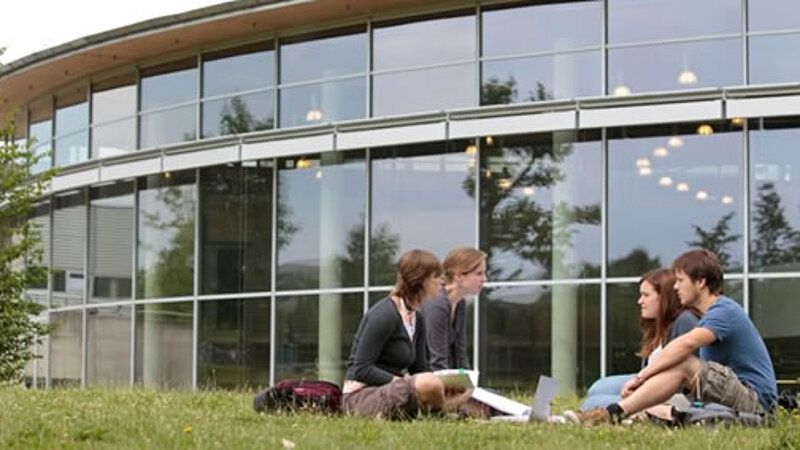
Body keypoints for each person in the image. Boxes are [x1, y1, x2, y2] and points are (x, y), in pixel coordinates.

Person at [570, 249, 777, 424]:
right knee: (657, 402)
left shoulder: (725, 310)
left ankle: (612, 413)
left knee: (683, 362)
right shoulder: (709, 316)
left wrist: (641, 377)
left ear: (701, 282)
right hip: (727, 397)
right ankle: (604, 414)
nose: (675, 287)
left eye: (680, 280)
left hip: (756, 401)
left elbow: (686, 343)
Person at [342, 249, 472, 419]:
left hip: (396, 391)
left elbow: (419, 369)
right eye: (436, 277)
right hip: (362, 396)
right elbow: (361, 369)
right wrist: (404, 382)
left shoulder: (417, 317)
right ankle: (443, 411)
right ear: (420, 280)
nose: (442, 282)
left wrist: (446, 385)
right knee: (427, 384)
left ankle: (444, 411)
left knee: (453, 388)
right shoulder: (384, 314)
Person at [580, 268, 699, 411]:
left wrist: (640, 392)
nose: (639, 301)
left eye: (646, 295)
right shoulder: (657, 326)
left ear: (664, 298)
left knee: (592, 403)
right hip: (647, 381)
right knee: (597, 387)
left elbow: (690, 376)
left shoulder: (686, 322)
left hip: (669, 394)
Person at [423, 247, 487, 371]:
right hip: (414, 380)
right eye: (479, 273)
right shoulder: (437, 305)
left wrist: (469, 384)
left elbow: (460, 353)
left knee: (489, 391)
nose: (484, 279)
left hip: (434, 378)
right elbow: (437, 363)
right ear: (458, 276)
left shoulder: (459, 303)